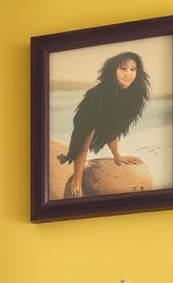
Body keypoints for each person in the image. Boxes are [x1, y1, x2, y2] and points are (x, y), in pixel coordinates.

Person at [56, 50, 151, 197]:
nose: (128, 74)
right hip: (86, 126)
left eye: (133, 69)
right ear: (113, 71)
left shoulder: (134, 95)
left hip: (103, 124)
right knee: (83, 144)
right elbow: (84, 140)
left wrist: (117, 155)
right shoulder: (98, 96)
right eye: (123, 69)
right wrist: (77, 178)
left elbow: (112, 128)